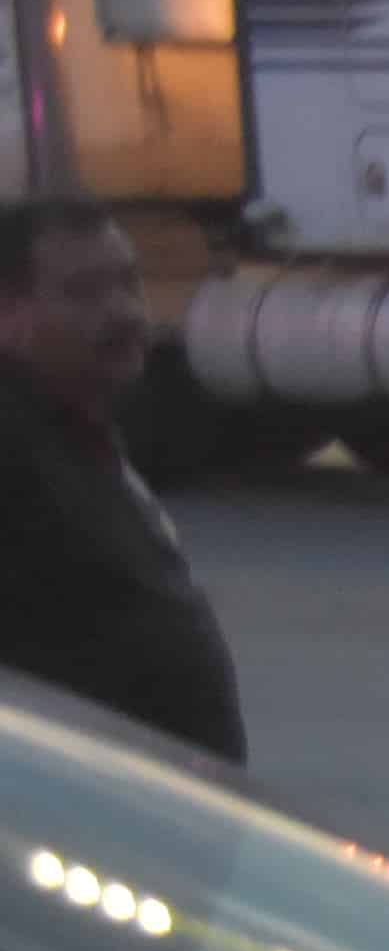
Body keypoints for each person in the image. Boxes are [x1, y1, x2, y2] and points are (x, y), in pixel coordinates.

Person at [0, 200, 246, 767]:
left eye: (127, 283)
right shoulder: (13, 448)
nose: (123, 313)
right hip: (82, 814)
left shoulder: (80, 428)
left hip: (163, 811)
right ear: (8, 312)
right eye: (83, 293)